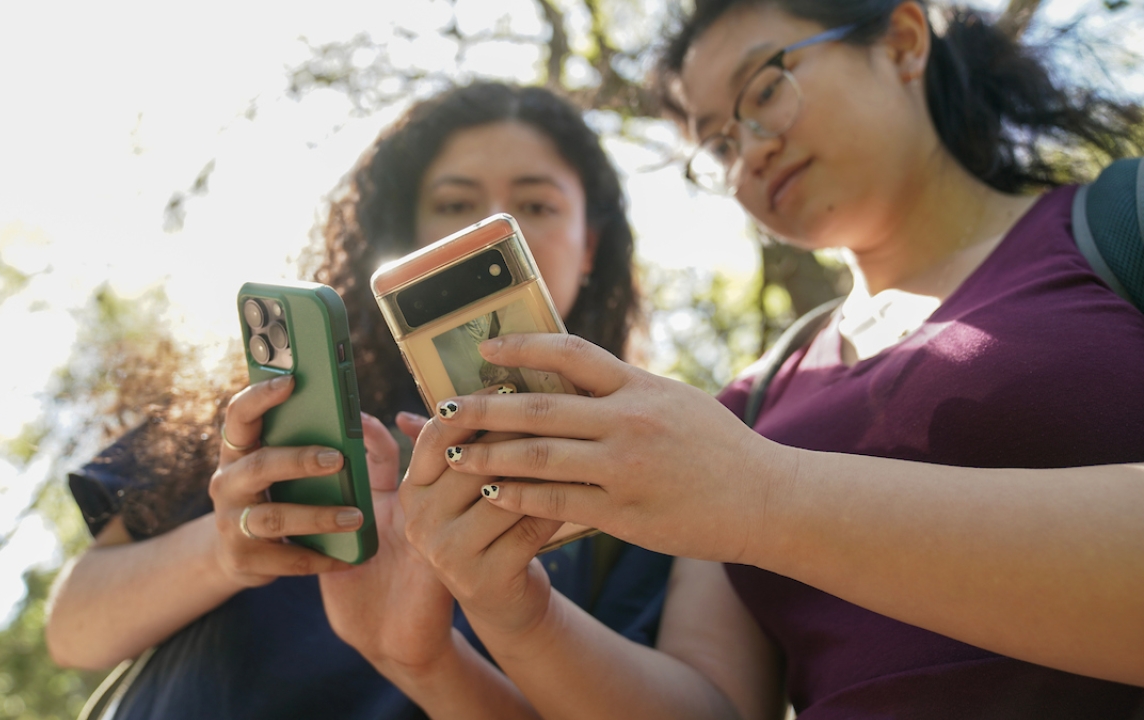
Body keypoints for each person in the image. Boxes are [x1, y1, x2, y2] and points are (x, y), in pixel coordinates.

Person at [389, 2, 1144, 718]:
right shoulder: (751, 402)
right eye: (718, 143)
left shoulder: (1119, 225)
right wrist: (516, 614)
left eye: (765, 90)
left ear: (903, 41)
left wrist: (765, 495)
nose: (749, 152)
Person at [45, 82, 673, 719]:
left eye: (535, 205)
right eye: (455, 201)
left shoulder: (636, 466)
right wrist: (227, 548)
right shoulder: (280, 388)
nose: (487, 228)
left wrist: (428, 661)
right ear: (407, 228)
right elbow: (73, 630)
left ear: (590, 245)